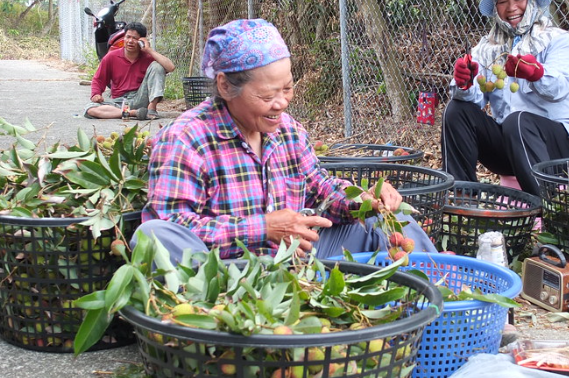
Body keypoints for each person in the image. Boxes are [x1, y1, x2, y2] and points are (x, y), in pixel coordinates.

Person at [138, 18, 437, 263]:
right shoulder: (187, 139)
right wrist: (262, 228)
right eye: (267, 96)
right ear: (226, 86)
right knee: (153, 235)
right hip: (229, 270)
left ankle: (443, 307)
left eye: (288, 89)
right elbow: (175, 223)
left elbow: (321, 191)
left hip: (299, 260)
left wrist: (361, 199)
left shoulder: (289, 131)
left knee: (393, 223)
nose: (281, 103)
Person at [442, 0, 569, 195]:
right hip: (514, 148)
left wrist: (536, 74)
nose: (511, 7)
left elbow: (561, 86)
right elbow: (473, 99)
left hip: (567, 150)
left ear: (531, 1)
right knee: (456, 110)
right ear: (496, 8)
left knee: (518, 120)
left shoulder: (557, 39)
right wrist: (464, 83)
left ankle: (547, 207)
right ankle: (462, 198)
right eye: (502, 2)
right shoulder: (488, 49)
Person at [84, 22, 175, 120]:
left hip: (141, 98)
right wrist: (96, 94)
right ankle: (133, 113)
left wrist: (149, 50)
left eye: (135, 38)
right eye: (128, 37)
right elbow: (99, 79)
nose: (130, 41)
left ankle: (151, 109)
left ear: (142, 40)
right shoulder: (111, 57)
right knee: (90, 109)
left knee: (157, 66)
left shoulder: (148, 58)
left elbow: (171, 67)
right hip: (119, 102)